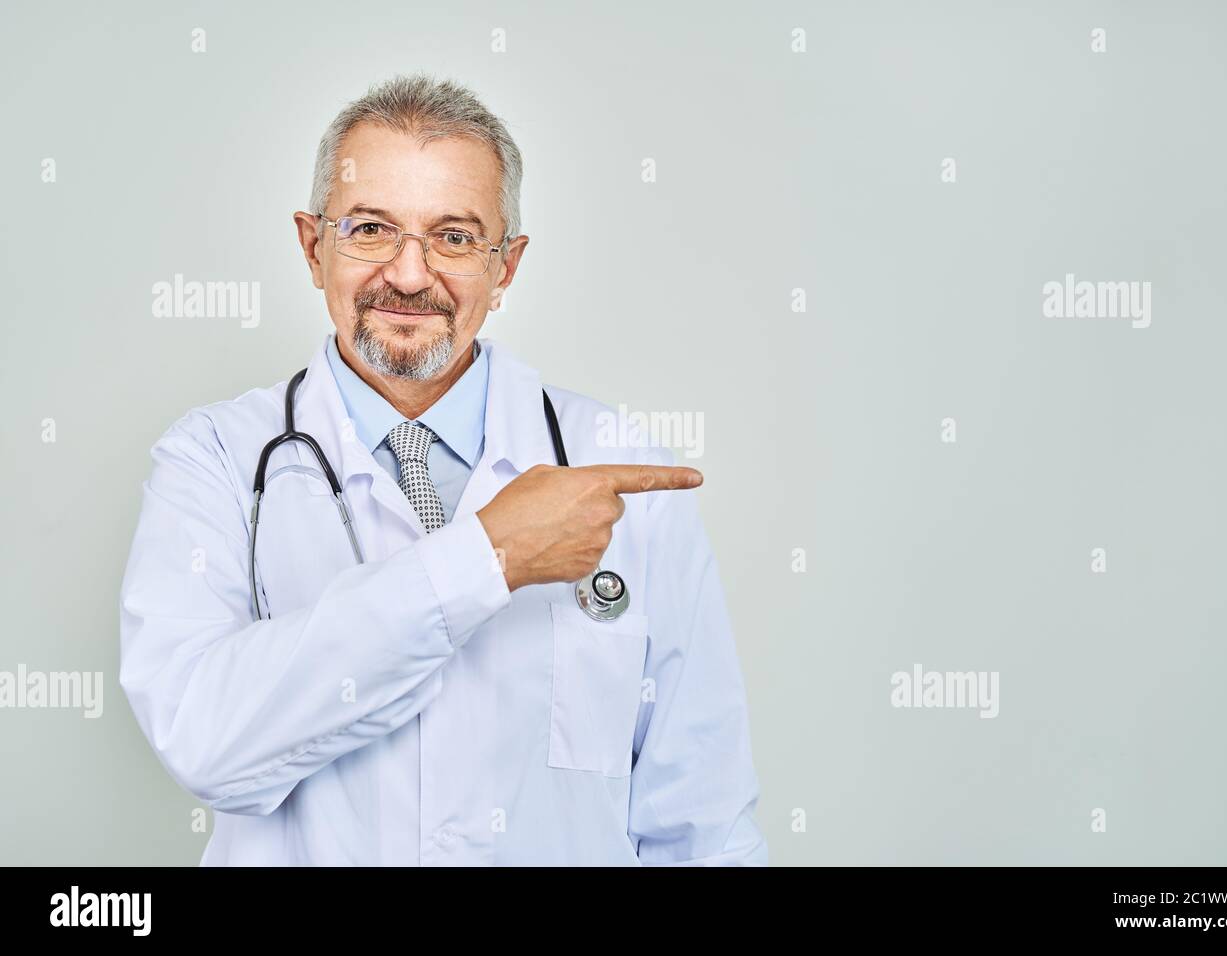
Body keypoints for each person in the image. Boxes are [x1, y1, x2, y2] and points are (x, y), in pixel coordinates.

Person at [118, 74, 767, 866]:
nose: (410, 274)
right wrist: (489, 557)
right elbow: (205, 741)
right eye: (370, 229)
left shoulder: (622, 470)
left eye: (455, 237)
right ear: (311, 246)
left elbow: (702, 824)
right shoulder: (214, 460)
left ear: (507, 268)